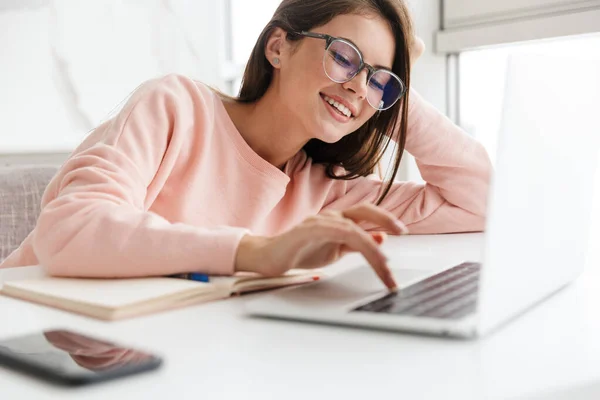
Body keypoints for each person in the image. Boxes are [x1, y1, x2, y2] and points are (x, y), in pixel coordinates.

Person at [0, 0, 492, 290]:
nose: (357, 87)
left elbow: (482, 202)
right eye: (345, 56)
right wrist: (258, 252)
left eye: (378, 81)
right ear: (278, 46)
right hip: (31, 337)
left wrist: (394, 92)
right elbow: (70, 230)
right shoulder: (176, 108)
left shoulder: (329, 192)